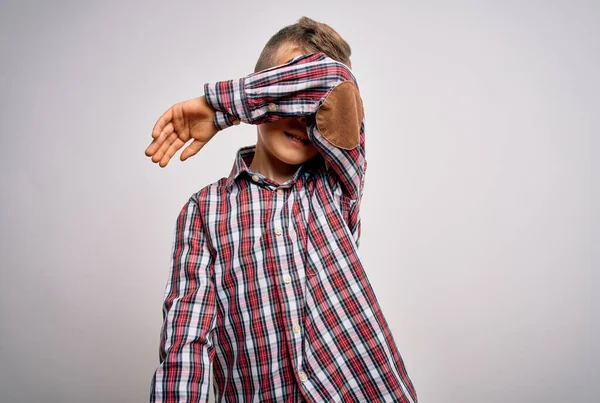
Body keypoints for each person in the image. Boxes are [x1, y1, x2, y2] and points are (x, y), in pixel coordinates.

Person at [145, 16, 418, 403]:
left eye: (312, 105)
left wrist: (221, 108)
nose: (304, 117)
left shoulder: (335, 185)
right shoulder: (204, 211)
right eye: (289, 98)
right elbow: (186, 342)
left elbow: (333, 78)